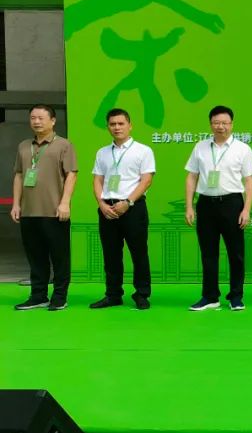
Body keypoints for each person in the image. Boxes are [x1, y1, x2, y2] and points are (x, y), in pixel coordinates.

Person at [184, 105, 252, 311]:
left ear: (231, 124)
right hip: (206, 204)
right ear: (210, 124)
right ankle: (210, 296)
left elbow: (249, 180)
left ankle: (236, 296)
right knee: (208, 253)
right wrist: (189, 206)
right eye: (216, 122)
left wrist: (246, 209)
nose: (220, 126)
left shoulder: (242, 149)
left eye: (224, 123)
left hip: (232, 203)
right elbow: (192, 177)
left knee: (236, 253)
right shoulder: (200, 147)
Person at [10, 104, 77, 311]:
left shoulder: (64, 145)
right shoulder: (24, 146)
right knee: (35, 257)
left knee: (59, 257)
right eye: (33, 118)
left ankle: (60, 296)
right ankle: (38, 296)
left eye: (41, 118)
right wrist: (16, 204)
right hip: (29, 212)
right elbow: (19, 175)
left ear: (53, 121)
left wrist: (65, 202)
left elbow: (71, 174)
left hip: (54, 211)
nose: (36, 122)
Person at [90, 108, 155, 310]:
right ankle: (113, 294)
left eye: (121, 123)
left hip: (133, 208)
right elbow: (98, 180)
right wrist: (101, 204)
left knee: (139, 253)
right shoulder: (102, 152)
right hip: (107, 209)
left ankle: (142, 294)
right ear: (108, 127)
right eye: (112, 124)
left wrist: (128, 202)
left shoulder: (143, 150)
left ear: (130, 125)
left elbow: (146, 180)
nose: (117, 127)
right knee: (111, 254)